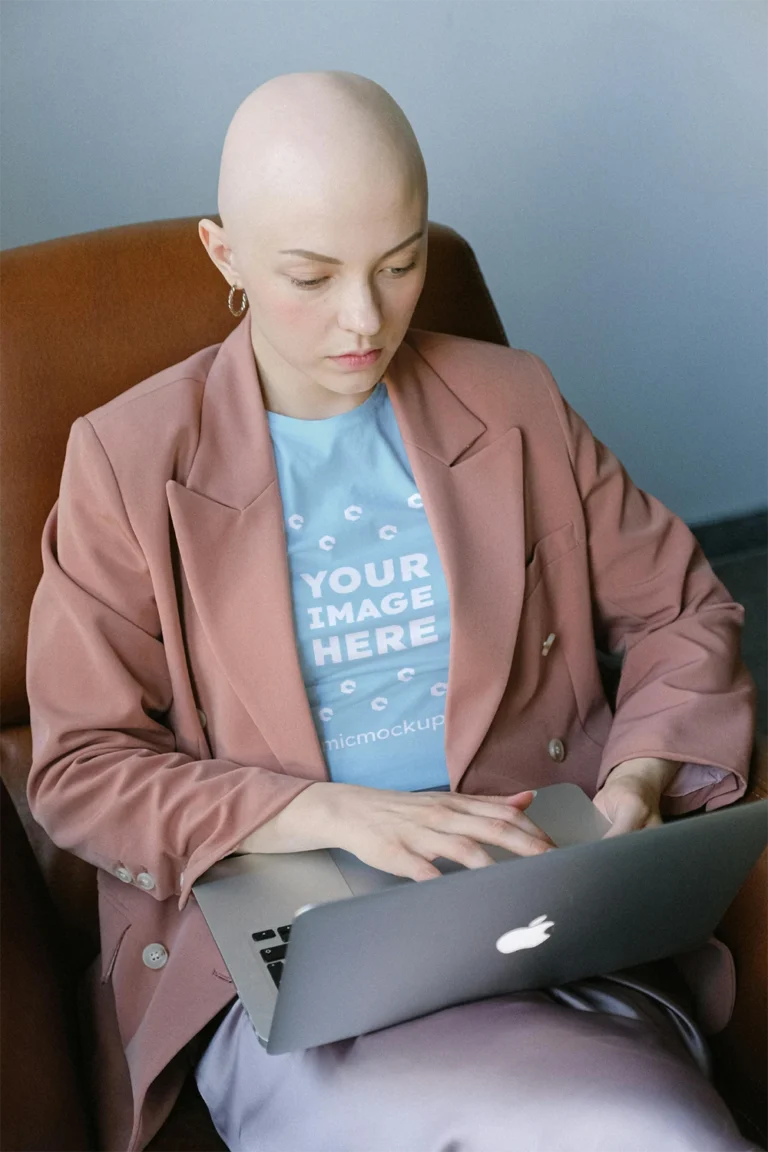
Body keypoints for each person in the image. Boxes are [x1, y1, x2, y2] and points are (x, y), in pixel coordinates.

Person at [25, 71, 758, 1152]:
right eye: (310, 278)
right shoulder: (129, 462)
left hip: (535, 904)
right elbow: (79, 767)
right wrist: (333, 812)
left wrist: (637, 782)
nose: (364, 320)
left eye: (401, 262)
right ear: (224, 255)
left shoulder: (514, 403)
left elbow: (684, 614)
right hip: (293, 939)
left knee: (645, 1129)